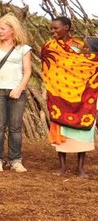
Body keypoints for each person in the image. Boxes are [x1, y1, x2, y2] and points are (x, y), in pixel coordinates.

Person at [41, 17, 98, 178]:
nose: (53, 32)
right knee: (62, 130)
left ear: (67, 27)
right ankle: (62, 167)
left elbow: (88, 63)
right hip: (59, 93)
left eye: (56, 28)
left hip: (81, 95)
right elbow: (48, 67)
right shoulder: (49, 46)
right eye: (51, 29)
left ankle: (80, 168)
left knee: (82, 134)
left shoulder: (79, 46)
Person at [0, 13, 32, 173]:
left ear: (12, 30)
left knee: (15, 127)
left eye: (3, 28)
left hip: (16, 91)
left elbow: (28, 71)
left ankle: (15, 160)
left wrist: (19, 89)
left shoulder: (23, 48)